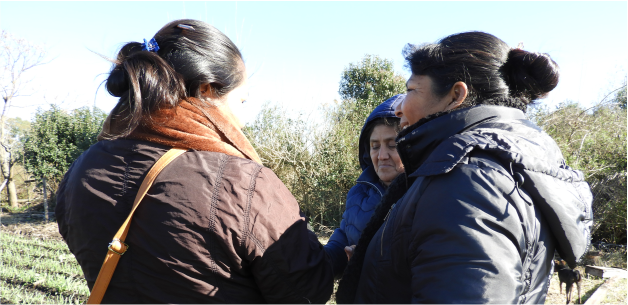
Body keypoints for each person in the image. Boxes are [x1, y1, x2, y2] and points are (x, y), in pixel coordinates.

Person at [55, 19, 334, 305]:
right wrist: (334, 258)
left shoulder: (81, 170)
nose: (241, 119)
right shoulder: (242, 183)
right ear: (207, 90)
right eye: (241, 102)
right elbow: (305, 292)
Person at [336, 31, 593, 304]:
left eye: (411, 90)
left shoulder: (469, 181)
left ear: (455, 95)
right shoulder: (498, 166)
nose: (398, 108)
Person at [324, 95, 405, 276]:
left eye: (392, 145)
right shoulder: (359, 193)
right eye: (375, 146)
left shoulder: (425, 192)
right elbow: (343, 238)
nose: (382, 155)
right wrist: (323, 259)